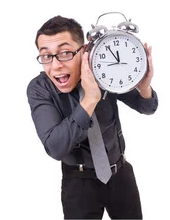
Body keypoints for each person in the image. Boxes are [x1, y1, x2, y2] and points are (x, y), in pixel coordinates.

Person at [26, 15, 158, 219]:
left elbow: (147, 107)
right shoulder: (39, 89)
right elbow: (55, 147)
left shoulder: (103, 69)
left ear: (84, 51)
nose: (56, 65)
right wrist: (89, 100)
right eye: (46, 56)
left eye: (65, 53)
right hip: (78, 185)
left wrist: (144, 87)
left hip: (120, 176)